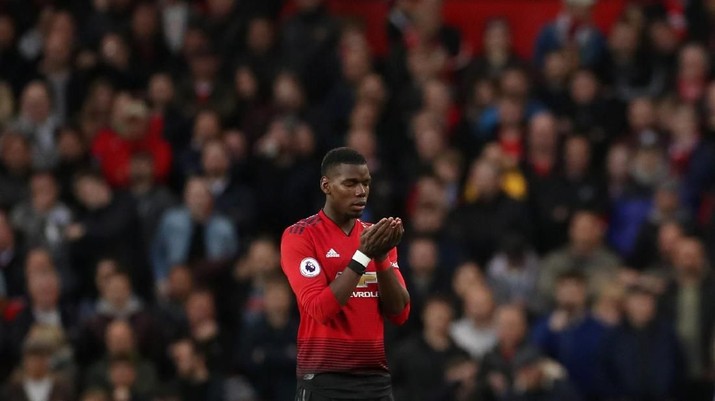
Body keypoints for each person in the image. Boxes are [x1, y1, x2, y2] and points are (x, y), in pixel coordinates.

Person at [280, 147, 410, 400]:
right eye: (350, 183)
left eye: (365, 183)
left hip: (375, 381)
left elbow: (400, 313)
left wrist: (381, 256)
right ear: (326, 186)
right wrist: (363, 256)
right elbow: (320, 309)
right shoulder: (300, 236)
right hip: (324, 380)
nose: (361, 192)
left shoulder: (376, 236)